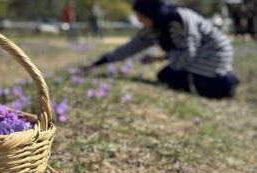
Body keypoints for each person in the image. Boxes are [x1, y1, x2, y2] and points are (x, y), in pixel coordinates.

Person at [83, 0, 239, 99]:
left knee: (167, 75)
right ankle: (221, 82)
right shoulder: (153, 28)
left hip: (213, 54)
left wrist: (159, 58)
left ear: (151, 13)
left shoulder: (178, 20)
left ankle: (224, 84)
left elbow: (188, 54)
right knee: (166, 74)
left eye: (140, 17)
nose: (139, 21)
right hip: (201, 56)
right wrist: (97, 63)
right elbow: (128, 49)